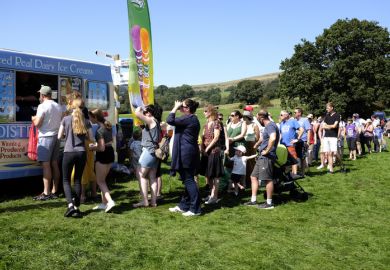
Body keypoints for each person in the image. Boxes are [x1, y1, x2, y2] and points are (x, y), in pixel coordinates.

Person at [58, 98, 93, 217]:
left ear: (71, 107)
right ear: (82, 107)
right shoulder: (86, 121)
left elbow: (59, 136)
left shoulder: (66, 119)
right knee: (78, 180)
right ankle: (77, 206)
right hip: (81, 152)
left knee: (66, 180)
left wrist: (66, 134)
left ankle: (70, 206)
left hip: (68, 152)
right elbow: (91, 138)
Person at [167, 99, 202, 216]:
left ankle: (195, 209)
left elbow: (170, 120)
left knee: (188, 180)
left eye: (183, 106)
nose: (181, 108)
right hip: (189, 153)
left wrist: (174, 107)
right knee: (188, 180)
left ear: (187, 108)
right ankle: (184, 205)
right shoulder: (191, 118)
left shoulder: (189, 118)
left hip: (186, 153)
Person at [32, 85, 62, 201]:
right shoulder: (58, 106)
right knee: (54, 163)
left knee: (46, 165)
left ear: (43, 95)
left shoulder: (42, 106)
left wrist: (33, 119)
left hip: (45, 137)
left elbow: (38, 124)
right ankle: (55, 190)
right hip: (56, 137)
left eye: (40, 94)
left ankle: (46, 192)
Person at [245, 110, 279, 209]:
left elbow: (273, 138)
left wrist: (267, 150)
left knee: (267, 179)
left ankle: (269, 203)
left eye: (258, 118)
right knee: (253, 176)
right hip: (261, 156)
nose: (257, 120)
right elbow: (264, 138)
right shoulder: (267, 127)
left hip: (267, 156)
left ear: (261, 118)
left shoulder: (271, 126)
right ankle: (253, 200)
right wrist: (257, 144)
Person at [133, 105, 161, 208]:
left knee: (141, 175)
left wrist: (140, 106)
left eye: (146, 112)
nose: (144, 113)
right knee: (152, 177)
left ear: (150, 112)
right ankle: (153, 202)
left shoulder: (151, 120)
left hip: (148, 151)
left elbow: (136, 113)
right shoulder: (156, 121)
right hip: (154, 152)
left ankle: (144, 201)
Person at [89, 109, 116, 213]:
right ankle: (104, 203)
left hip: (103, 155)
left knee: (100, 181)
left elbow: (101, 148)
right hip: (110, 153)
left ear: (95, 117)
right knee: (103, 180)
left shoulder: (99, 131)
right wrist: (98, 146)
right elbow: (110, 142)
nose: (90, 119)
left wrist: (93, 148)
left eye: (91, 117)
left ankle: (110, 201)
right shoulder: (108, 127)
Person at [201, 105, 224, 205]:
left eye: (205, 111)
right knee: (208, 174)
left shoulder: (216, 123)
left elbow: (216, 137)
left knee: (215, 175)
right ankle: (211, 194)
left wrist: (207, 148)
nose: (204, 113)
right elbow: (202, 137)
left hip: (214, 151)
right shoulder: (206, 124)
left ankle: (215, 196)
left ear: (210, 112)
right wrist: (202, 148)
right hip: (206, 152)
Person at [279, 110, 303, 176]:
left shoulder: (292, 121)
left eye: (281, 115)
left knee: (293, 159)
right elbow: (281, 134)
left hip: (290, 144)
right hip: (283, 145)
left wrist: (297, 139)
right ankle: (286, 174)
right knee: (284, 160)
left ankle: (294, 174)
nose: (280, 116)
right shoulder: (281, 123)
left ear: (286, 115)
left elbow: (301, 129)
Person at [242, 110, 260, 187]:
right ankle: (245, 180)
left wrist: (251, 139)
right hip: (243, 146)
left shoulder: (254, 125)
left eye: (244, 117)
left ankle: (253, 180)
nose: (242, 118)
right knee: (243, 163)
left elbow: (258, 137)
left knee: (251, 163)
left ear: (247, 117)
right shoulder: (242, 124)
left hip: (251, 146)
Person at [322, 102, 340, 174]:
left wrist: (328, 126)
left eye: (327, 108)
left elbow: (335, 126)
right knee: (329, 153)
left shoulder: (337, 115)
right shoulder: (326, 115)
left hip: (333, 136)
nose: (326, 109)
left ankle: (341, 164)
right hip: (326, 136)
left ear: (332, 108)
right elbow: (323, 126)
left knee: (334, 153)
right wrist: (330, 126)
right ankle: (331, 170)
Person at [294, 108, 312, 175]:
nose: (294, 114)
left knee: (302, 157)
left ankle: (303, 172)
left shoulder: (305, 120)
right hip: (296, 141)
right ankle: (298, 171)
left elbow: (309, 131)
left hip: (303, 140)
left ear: (299, 113)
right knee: (296, 156)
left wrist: (308, 142)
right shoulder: (294, 120)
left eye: (295, 112)